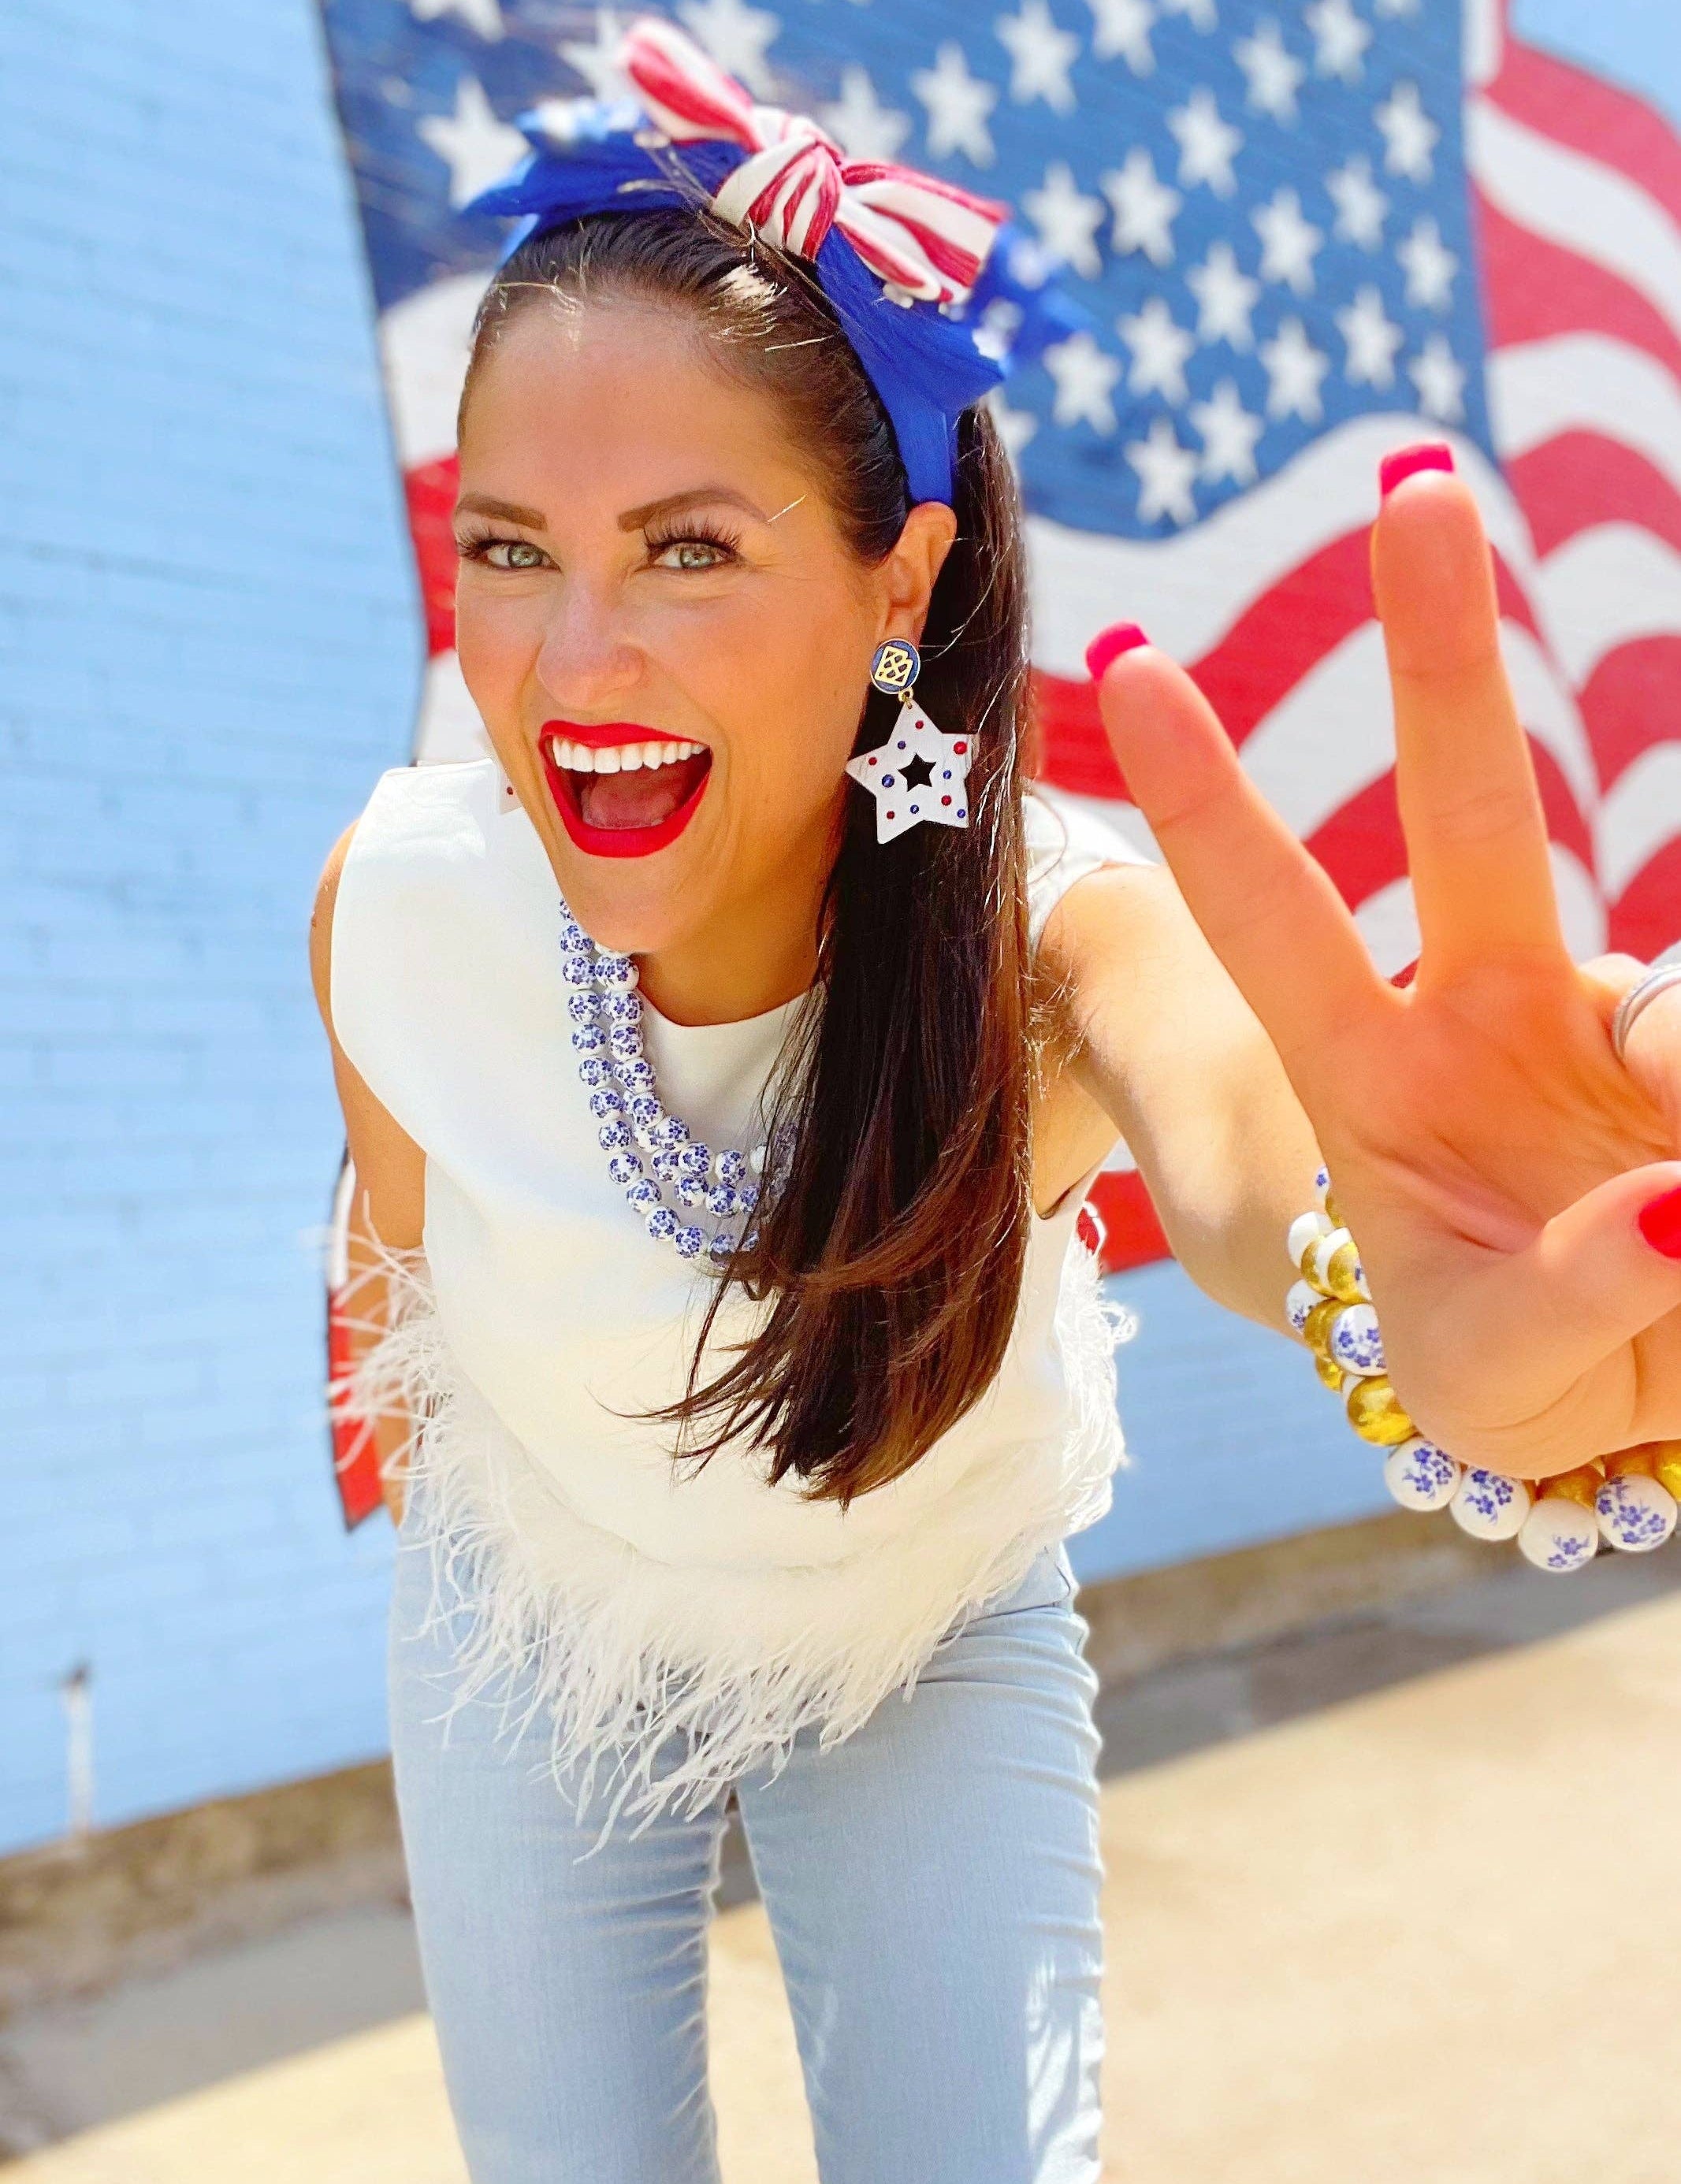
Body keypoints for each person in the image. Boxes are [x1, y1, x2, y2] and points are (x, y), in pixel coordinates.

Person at [310, 20, 1681, 2181]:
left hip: (917, 1621)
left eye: (687, 549)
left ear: (902, 579)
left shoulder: (1045, 942)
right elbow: (406, 1267)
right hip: (524, 1615)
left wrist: (1390, 1278)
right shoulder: (398, 906)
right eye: (505, 547)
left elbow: (1243, 1145)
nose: (573, 661)